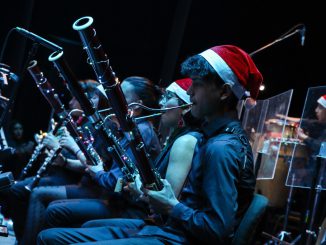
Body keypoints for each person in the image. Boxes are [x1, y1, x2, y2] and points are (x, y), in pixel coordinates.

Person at [37, 44, 263, 245]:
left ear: (224, 92)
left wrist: (171, 206)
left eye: (198, 84)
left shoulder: (220, 147)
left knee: (53, 235)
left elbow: (216, 231)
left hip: (175, 237)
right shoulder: (214, 138)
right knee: (51, 236)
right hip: (169, 230)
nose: (190, 91)